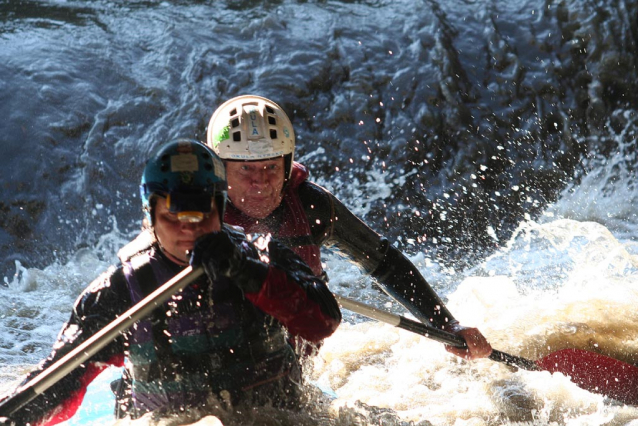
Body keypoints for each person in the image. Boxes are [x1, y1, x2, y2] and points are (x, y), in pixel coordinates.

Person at [0, 139, 341, 425]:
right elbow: (59, 382)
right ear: (151, 216)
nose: (189, 228)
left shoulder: (263, 256)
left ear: (220, 209)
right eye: (174, 215)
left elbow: (323, 321)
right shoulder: (120, 288)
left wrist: (244, 271)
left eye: (201, 213)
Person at [206, 95, 492, 361]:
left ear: (287, 165)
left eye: (271, 167)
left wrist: (447, 324)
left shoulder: (311, 206)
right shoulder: (193, 215)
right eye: (246, 169)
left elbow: (385, 264)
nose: (261, 182)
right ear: (220, 169)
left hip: (291, 353)